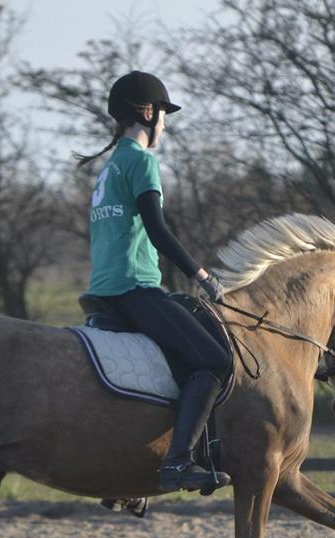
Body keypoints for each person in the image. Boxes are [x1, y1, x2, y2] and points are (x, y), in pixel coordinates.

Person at [79, 71, 232, 493]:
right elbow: (159, 231)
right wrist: (203, 276)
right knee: (214, 360)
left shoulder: (110, 167)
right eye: (163, 114)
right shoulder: (142, 161)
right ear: (147, 114)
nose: (164, 124)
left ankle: (135, 481)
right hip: (134, 289)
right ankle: (177, 464)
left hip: (105, 289)